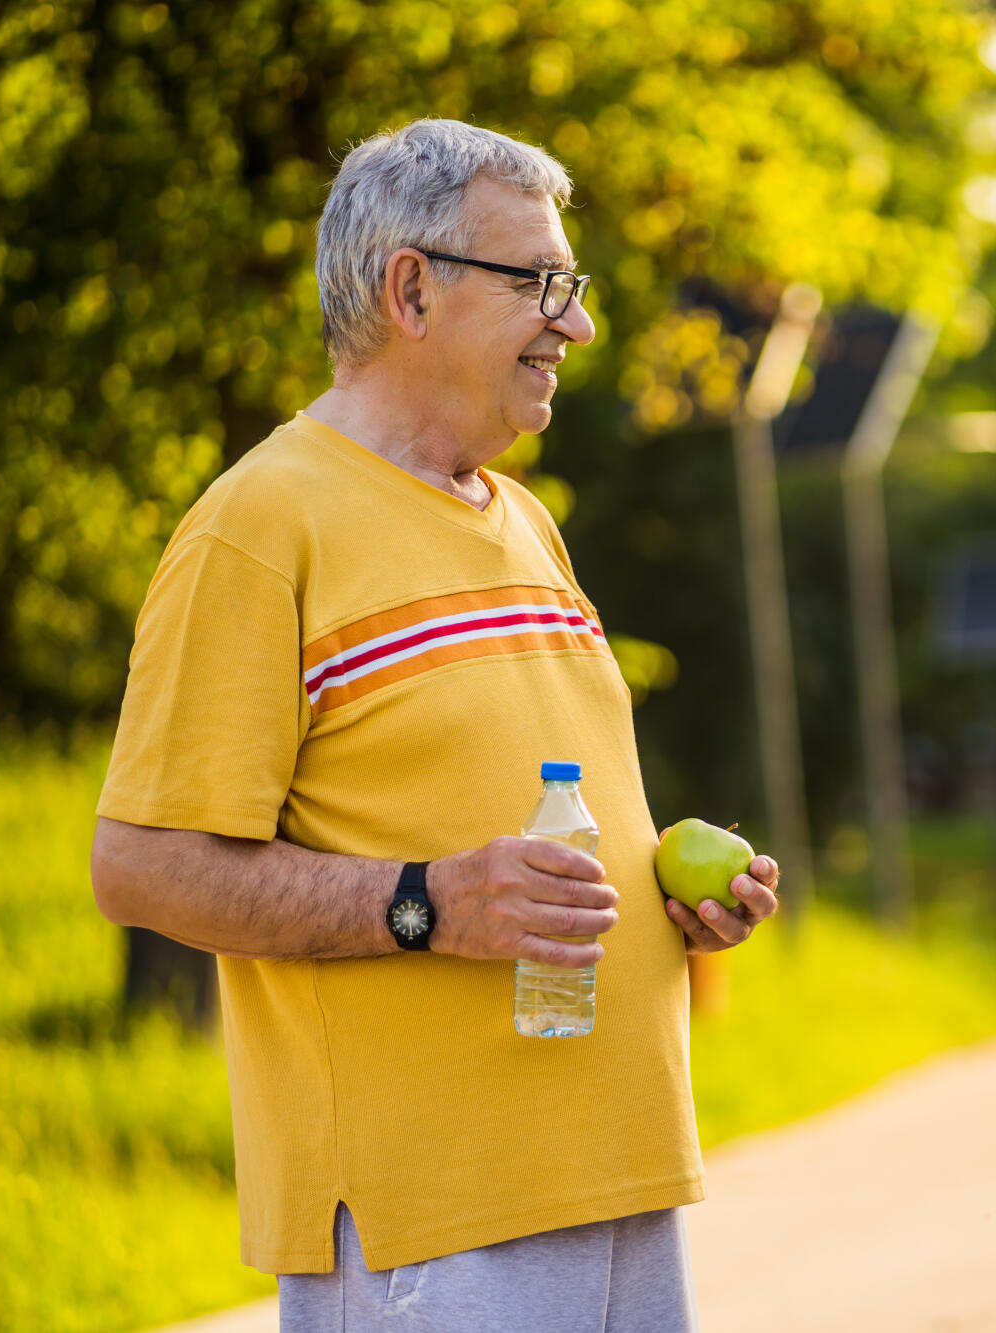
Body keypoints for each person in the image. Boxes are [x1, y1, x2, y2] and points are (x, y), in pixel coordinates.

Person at [90, 119, 778, 1333]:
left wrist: (661, 889)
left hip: (617, 1186)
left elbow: (517, 812)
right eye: (539, 283)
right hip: (433, 1229)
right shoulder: (258, 527)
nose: (576, 325)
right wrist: (426, 904)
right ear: (411, 289)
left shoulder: (521, 520)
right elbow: (142, 865)